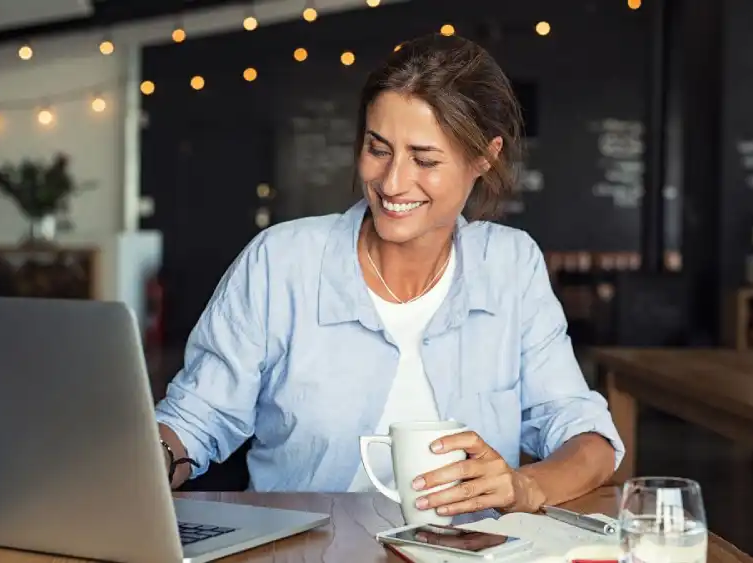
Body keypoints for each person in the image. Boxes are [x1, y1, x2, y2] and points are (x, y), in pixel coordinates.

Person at [155, 32, 624, 517]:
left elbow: (588, 439)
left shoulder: (510, 266)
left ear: (484, 158)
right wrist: (148, 461)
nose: (393, 182)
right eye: (378, 149)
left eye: (425, 159)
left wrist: (525, 487)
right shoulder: (282, 261)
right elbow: (196, 417)